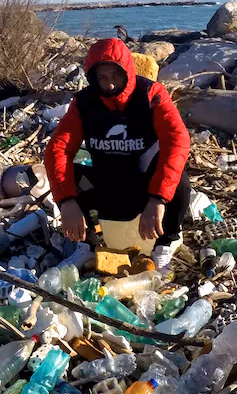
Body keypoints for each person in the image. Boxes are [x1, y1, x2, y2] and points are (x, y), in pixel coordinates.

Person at [44, 37, 191, 273]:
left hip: (146, 188)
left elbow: (178, 140)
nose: (109, 85)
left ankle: (165, 244)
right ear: (92, 78)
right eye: (102, 78)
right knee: (69, 175)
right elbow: (58, 149)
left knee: (180, 181)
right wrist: (66, 201)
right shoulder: (84, 102)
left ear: (127, 73)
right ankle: (86, 245)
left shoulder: (151, 94)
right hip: (107, 187)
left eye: (114, 76)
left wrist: (158, 199)